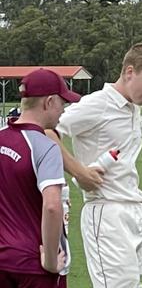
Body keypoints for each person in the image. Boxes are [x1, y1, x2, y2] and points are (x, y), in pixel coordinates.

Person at [47, 42, 142, 287]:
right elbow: (46, 131)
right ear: (129, 72)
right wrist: (79, 171)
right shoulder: (98, 104)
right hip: (106, 213)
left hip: (133, 209)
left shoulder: (132, 108)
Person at [0, 68, 81, 287]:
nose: (62, 111)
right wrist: (52, 262)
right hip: (34, 263)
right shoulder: (46, 146)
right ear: (49, 102)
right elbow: (52, 206)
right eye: (62, 103)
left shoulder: (1, 138)